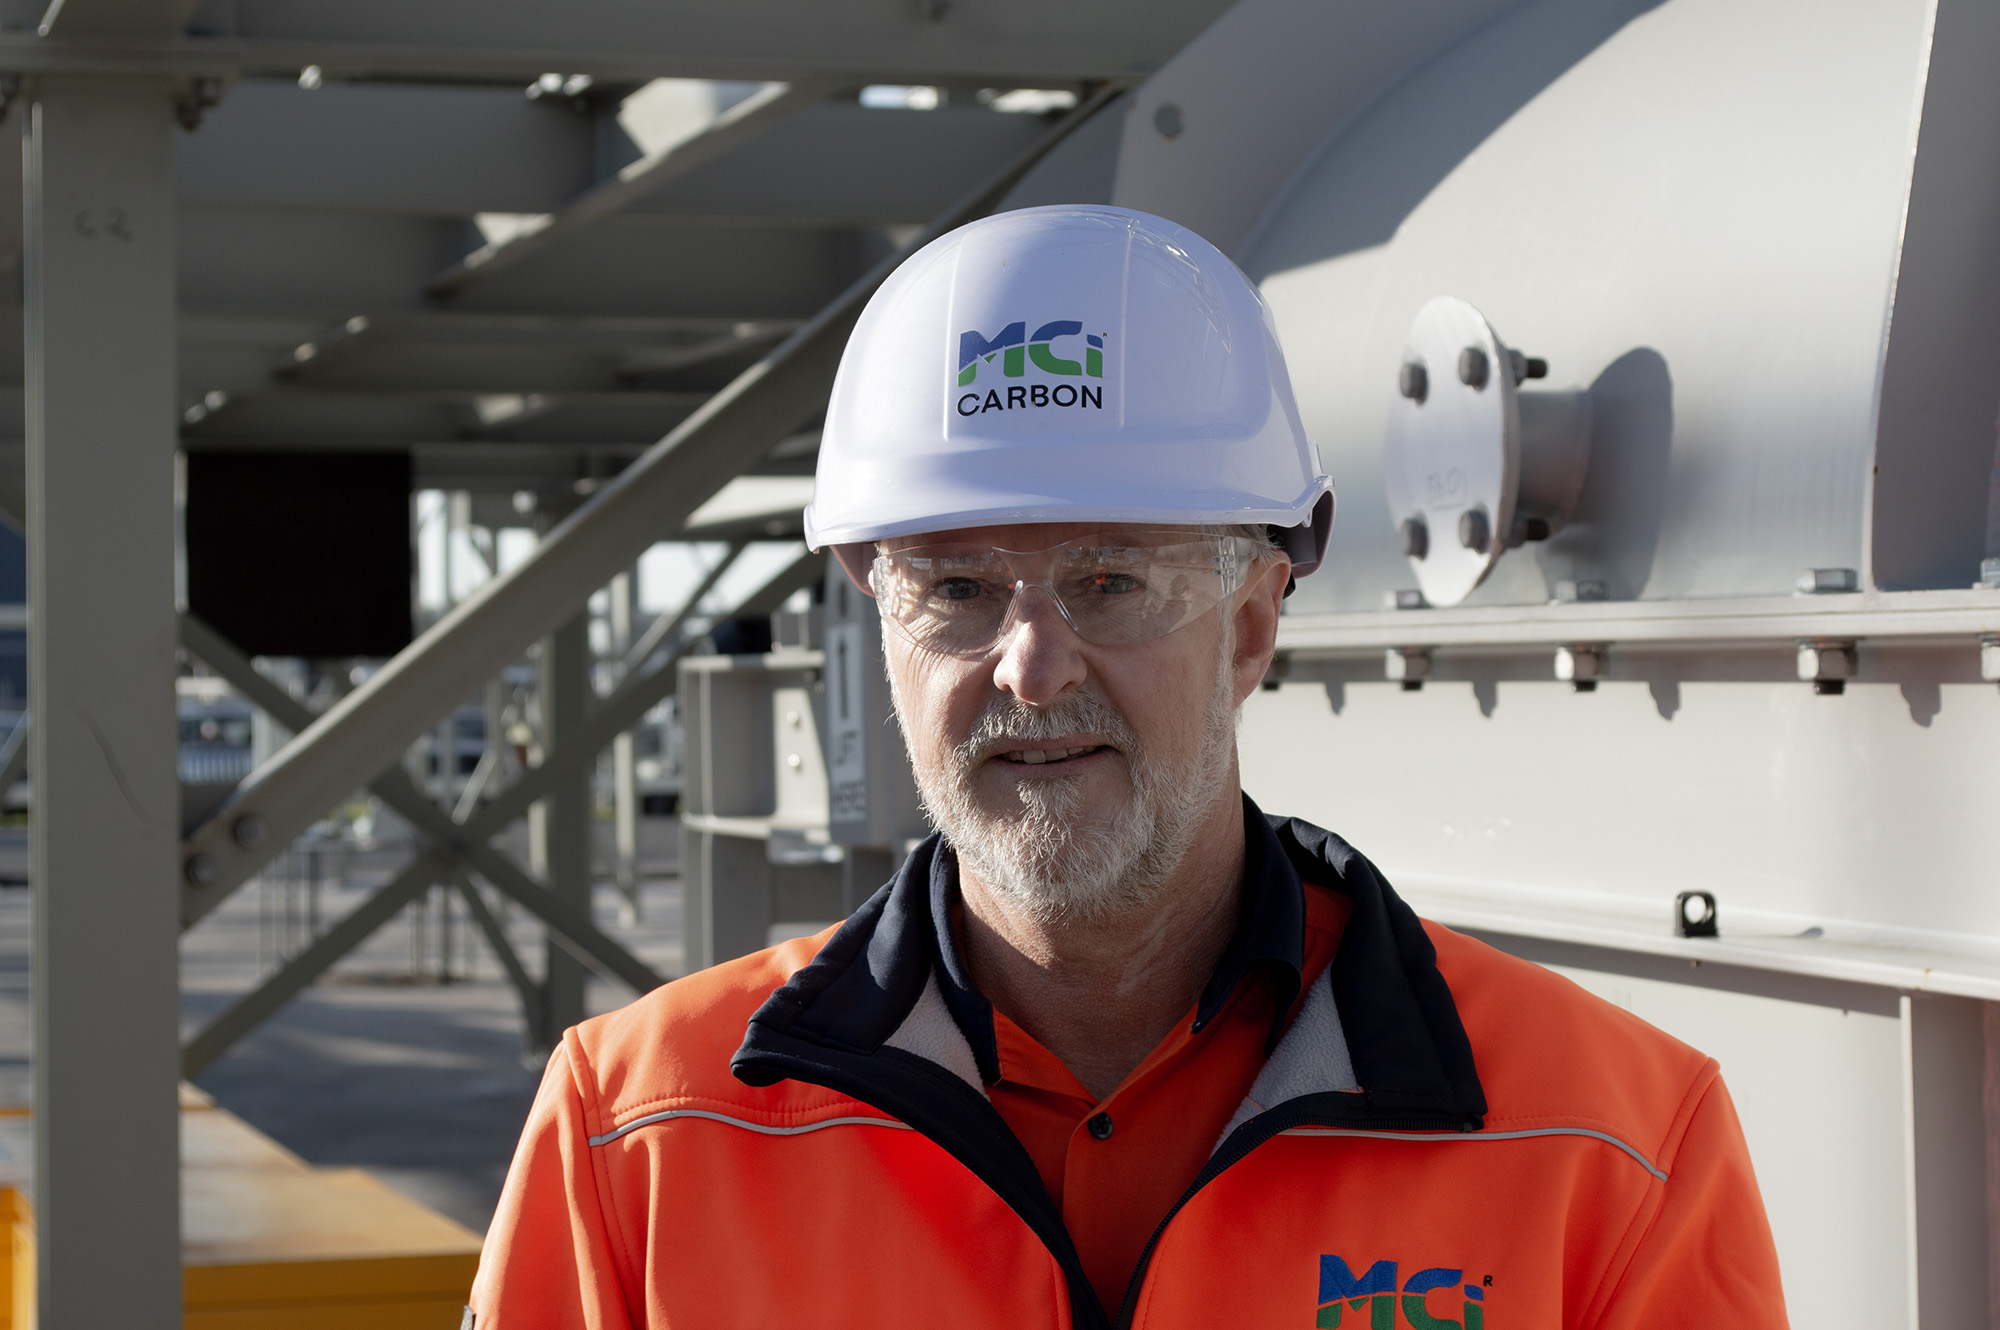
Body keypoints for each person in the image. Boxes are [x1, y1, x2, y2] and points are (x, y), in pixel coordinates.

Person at [466, 206, 1787, 1329]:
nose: (1031, 666)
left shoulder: (1609, 1148)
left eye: (1111, 579)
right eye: (959, 587)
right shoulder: (635, 1144)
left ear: (1254, 622)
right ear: (882, 624)